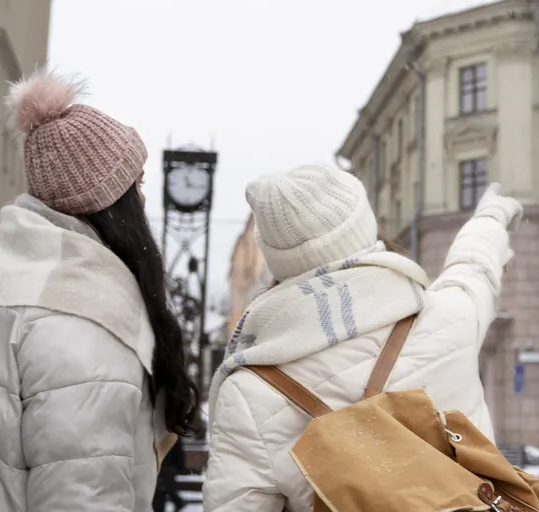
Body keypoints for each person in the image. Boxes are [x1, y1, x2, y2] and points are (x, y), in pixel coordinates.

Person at [0, 70, 199, 512]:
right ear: (108, 201)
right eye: (137, 185)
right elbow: (83, 497)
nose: (143, 202)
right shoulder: (80, 313)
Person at [203, 164, 522, 511]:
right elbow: (473, 268)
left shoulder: (249, 391)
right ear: (365, 229)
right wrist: (491, 217)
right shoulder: (450, 318)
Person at [152, 440, 187, 512]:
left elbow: (178, 452)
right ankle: (178, 501)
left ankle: (177, 501)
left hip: (166, 466)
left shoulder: (174, 436)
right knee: (163, 488)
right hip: (164, 466)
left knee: (162, 488)